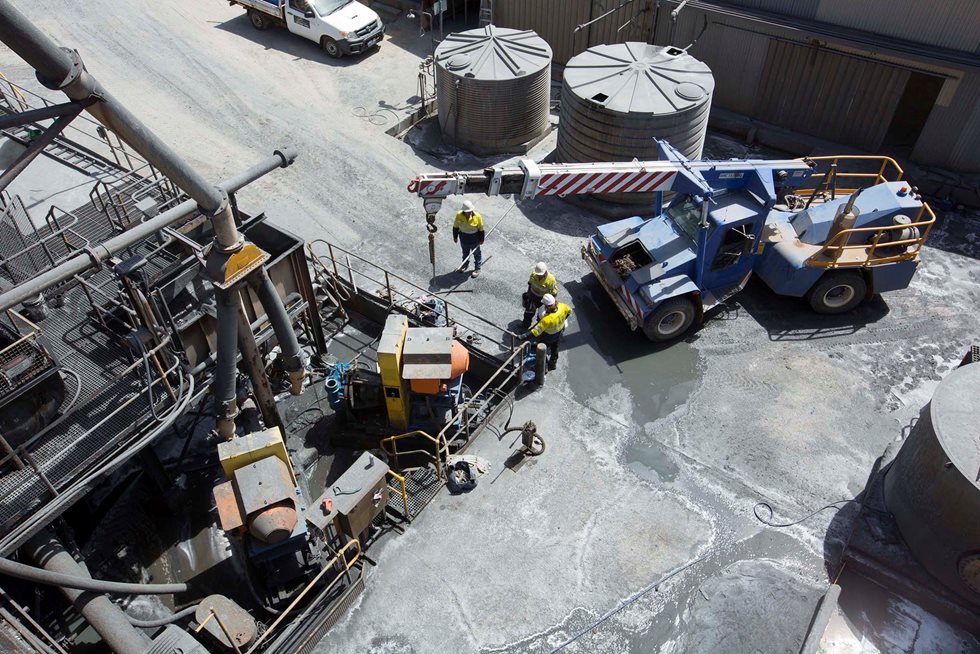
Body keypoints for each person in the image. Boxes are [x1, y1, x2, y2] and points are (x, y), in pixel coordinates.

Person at [519, 294, 571, 371]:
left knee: (541, 351)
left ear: (546, 306)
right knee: (554, 349)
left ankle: (544, 368)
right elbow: (569, 311)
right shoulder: (562, 306)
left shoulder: (547, 319)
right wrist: (562, 320)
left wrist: (522, 337)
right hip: (559, 333)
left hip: (548, 336)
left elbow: (535, 332)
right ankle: (552, 365)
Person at [452, 200, 485, 277]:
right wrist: (455, 237)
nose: (469, 213)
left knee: (477, 254)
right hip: (463, 237)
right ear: (464, 211)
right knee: (465, 252)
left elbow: (481, 229)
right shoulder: (459, 215)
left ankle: (477, 268)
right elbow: (455, 227)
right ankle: (465, 265)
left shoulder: (477, 216)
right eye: (467, 211)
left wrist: (482, 239)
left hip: (474, 238)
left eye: (470, 211)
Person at [522, 261, 558, 329]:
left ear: (545, 272)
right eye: (538, 274)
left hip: (543, 300)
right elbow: (530, 284)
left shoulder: (551, 279)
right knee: (528, 313)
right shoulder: (533, 274)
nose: (539, 275)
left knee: (541, 316)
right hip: (533, 297)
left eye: (540, 274)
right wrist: (528, 294)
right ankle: (525, 326)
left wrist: (550, 305)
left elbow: (554, 292)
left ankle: (538, 329)